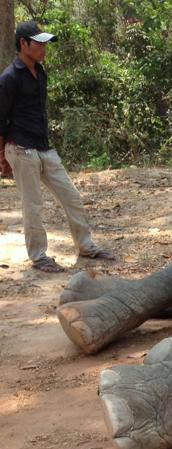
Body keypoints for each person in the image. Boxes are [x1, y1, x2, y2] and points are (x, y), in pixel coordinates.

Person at [0, 21, 116, 273]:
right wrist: (3, 156)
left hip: (43, 147)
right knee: (32, 205)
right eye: (38, 43)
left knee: (71, 196)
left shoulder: (40, 73)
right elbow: (1, 120)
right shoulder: (9, 78)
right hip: (20, 148)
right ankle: (39, 256)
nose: (44, 48)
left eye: (44, 43)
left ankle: (86, 246)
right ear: (23, 44)